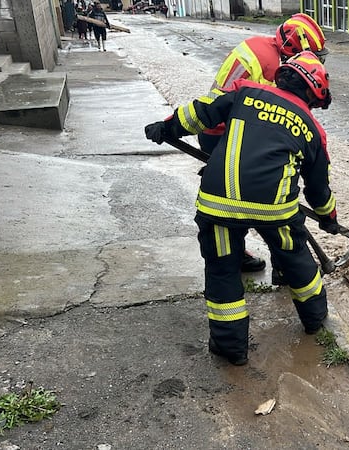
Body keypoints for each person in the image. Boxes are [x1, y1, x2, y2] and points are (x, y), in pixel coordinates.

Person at [144, 51, 337, 366]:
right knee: (296, 260)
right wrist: (329, 218)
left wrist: (166, 128)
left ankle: (232, 349)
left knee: (222, 271)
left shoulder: (244, 92)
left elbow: (200, 113)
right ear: (314, 95)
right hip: (276, 212)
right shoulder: (313, 129)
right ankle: (315, 319)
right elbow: (318, 188)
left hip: (219, 205)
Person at [199, 13, 328, 276]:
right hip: (226, 132)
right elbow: (278, 118)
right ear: (294, 50)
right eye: (311, 55)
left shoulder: (263, 48)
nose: (313, 61)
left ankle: (257, 256)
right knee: (266, 197)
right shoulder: (268, 65)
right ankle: (285, 266)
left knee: (242, 197)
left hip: (219, 127)